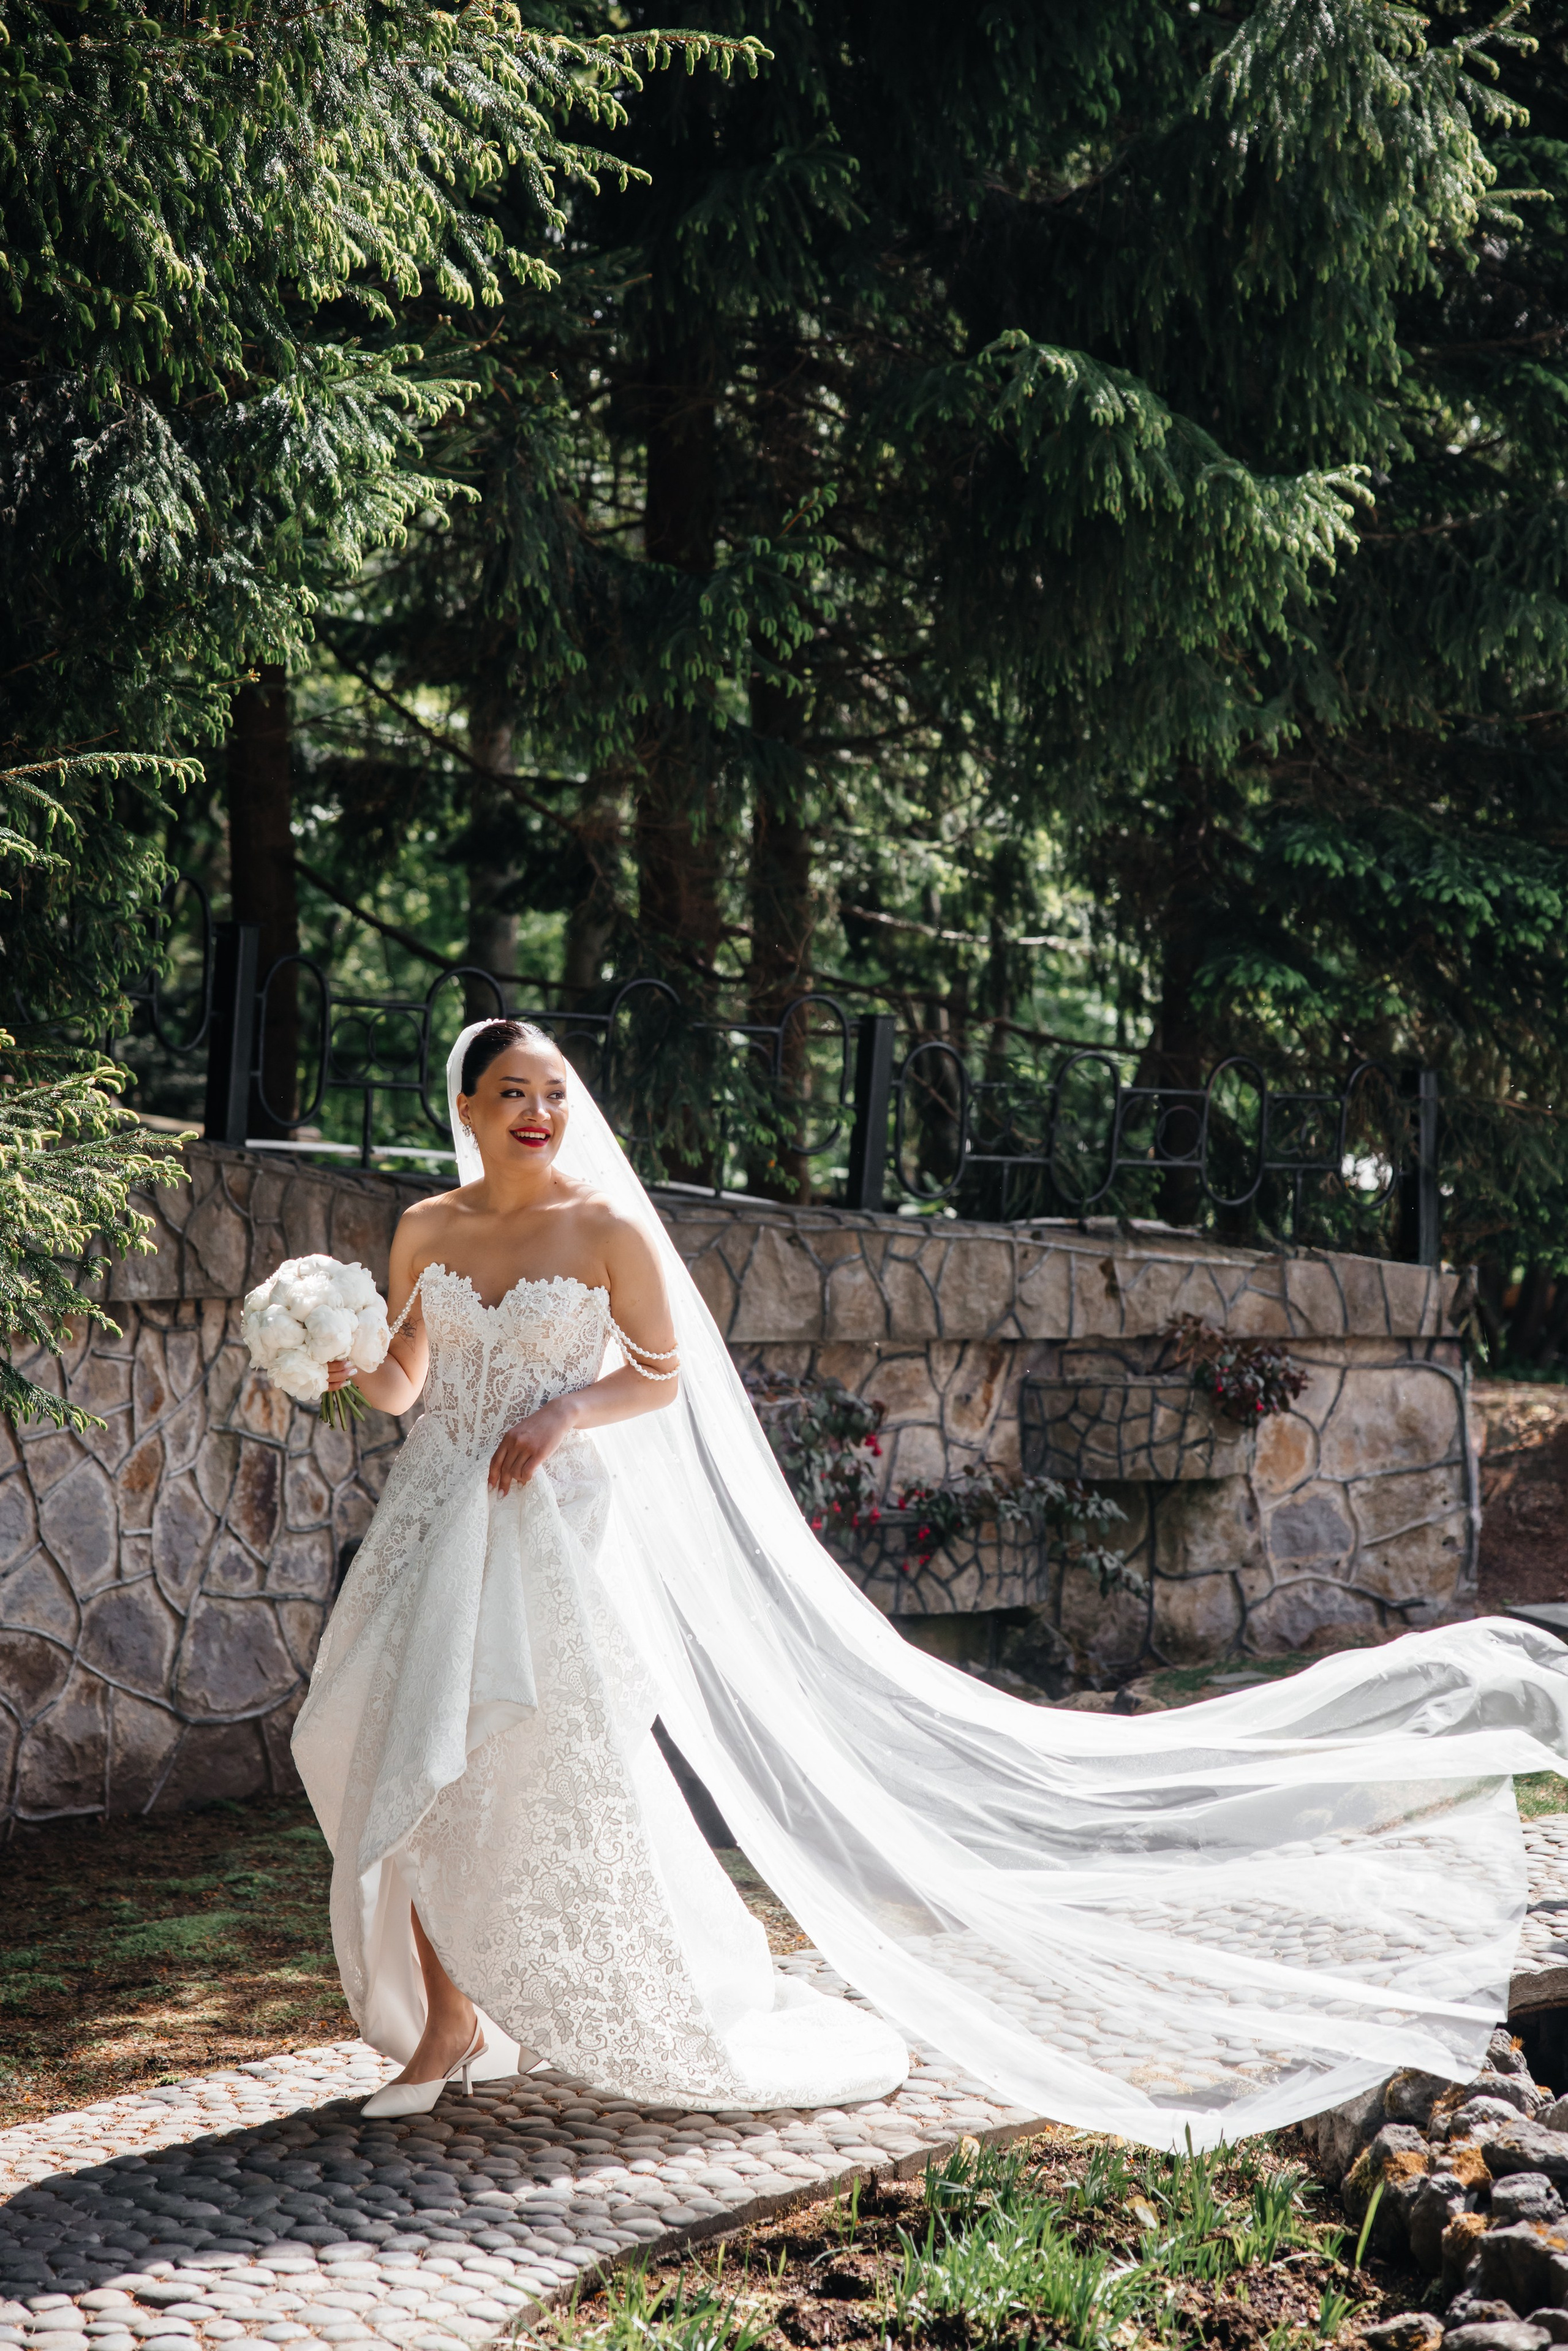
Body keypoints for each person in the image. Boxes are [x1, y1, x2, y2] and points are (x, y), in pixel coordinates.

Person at [295, 1017, 1568, 2148]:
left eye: (556, 1089)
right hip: (433, 1519)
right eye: (513, 1089)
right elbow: (413, 1378)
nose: (539, 1109)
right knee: (389, 1754)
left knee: (534, 1767)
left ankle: (569, 1998)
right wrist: (344, 1360)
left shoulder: (607, 1223)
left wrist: (567, 1407)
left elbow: (660, 1377)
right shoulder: (426, 1229)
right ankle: (447, 2020)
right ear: (465, 1108)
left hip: (545, 1535)